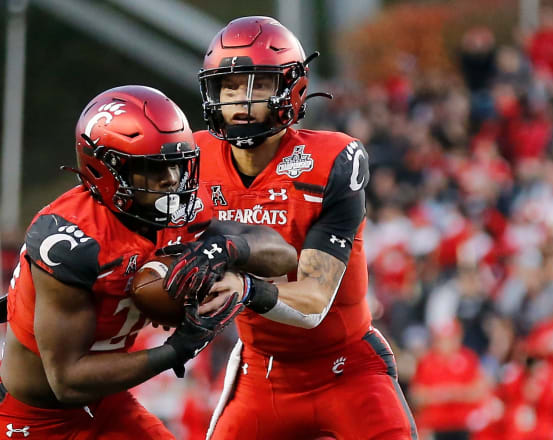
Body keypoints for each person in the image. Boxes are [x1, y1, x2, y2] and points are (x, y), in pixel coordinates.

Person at [0, 85, 297, 440]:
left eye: (175, 165)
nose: (170, 180)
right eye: (152, 169)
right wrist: (177, 349)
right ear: (107, 170)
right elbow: (67, 381)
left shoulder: (179, 212)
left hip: (105, 407)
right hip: (25, 420)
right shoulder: (69, 239)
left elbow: (282, 254)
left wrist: (229, 249)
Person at [162, 16, 418, 440]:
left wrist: (243, 288)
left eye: (257, 85)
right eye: (229, 87)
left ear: (290, 88)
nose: (241, 101)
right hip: (264, 376)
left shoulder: (332, 159)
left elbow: (315, 301)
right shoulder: (192, 158)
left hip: (348, 369)